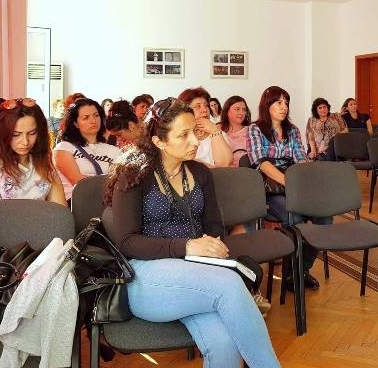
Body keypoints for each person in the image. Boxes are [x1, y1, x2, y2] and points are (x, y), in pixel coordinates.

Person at [103, 98, 280, 368]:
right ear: (159, 141)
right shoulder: (133, 175)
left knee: (225, 344)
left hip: (197, 273)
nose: (195, 141)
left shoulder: (199, 172)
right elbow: (127, 243)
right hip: (146, 277)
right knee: (229, 284)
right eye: (183, 135)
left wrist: (211, 246)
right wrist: (186, 246)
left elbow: (214, 227)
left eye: (194, 132)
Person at [248, 86, 332, 291]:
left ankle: (300, 270)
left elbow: (300, 158)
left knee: (324, 217)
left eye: (286, 103)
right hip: (270, 188)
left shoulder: (292, 130)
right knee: (294, 216)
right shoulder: (255, 129)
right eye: (278, 102)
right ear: (267, 105)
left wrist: (303, 180)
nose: (283, 107)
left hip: (294, 182)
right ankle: (291, 274)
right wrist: (290, 183)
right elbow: (261, 163)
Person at [0, 98, 66, 205]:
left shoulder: (43, 164)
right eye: (16, 134)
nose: (25, 142)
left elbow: (60, 212)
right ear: (2, 133)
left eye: (32, 133)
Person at [53, 98, 122, 203]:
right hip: (76, 203)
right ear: (75, 123)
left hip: (107, 202)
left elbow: (120, 181)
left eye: (96, 115)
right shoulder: (64, 147)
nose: (93, 121)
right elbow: (80, 183)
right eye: (86, 118)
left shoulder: (114, 150)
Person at [178, 87, 232, 167]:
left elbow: (224, 165)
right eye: (198, 106)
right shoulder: (179, 136)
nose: (205, 110)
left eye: (206, 105)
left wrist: (215, 131)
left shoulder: (219, 134)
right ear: (185, 111)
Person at [220, 95, 251, 168]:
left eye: (244, 110)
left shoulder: (251, 131)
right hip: (225, 172)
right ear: (227, 111)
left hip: (249, 171)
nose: (241, 113)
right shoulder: (219, 133)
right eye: (237, 109)